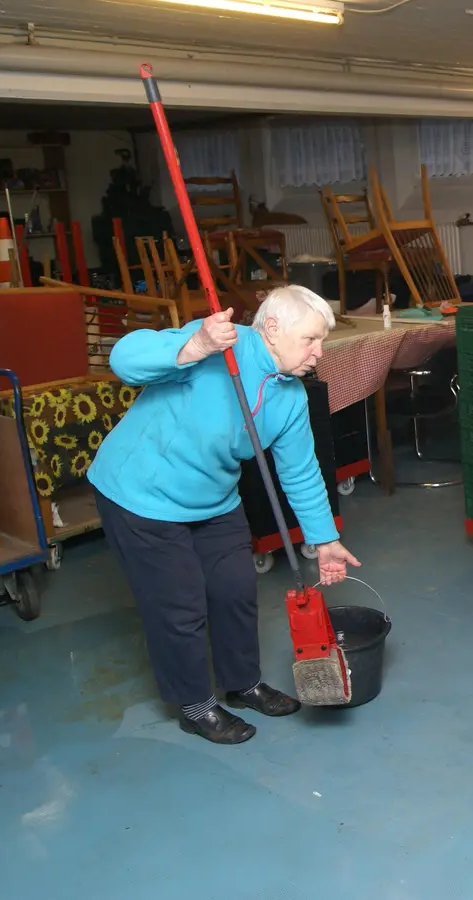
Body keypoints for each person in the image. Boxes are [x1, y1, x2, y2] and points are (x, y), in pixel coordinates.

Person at [88, 285, 362, 746]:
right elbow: (124, 359)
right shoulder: (220, 343)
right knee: (180, 606)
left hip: (213, 500)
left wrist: (324, 537)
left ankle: (242, 684)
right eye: (309, 340)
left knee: (235, 591)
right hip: (143, 496)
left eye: (320, 342)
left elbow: (300, 469)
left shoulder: (290, 395)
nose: (318, 353)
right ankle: (195, 706)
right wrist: (193, 347)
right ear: (272, 329)